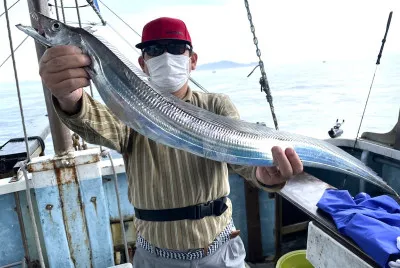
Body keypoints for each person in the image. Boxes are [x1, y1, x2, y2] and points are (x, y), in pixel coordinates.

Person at [39, 16, 304, 267]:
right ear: (142, 64)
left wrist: (265, 174)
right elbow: (96, 122)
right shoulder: (129, 112)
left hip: (220, 252)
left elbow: (241, 158)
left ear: (193, 60)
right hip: (156, 258)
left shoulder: (216, 106)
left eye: (177, 48)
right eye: (154, 49)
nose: (166, 56)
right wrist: (69, 97)